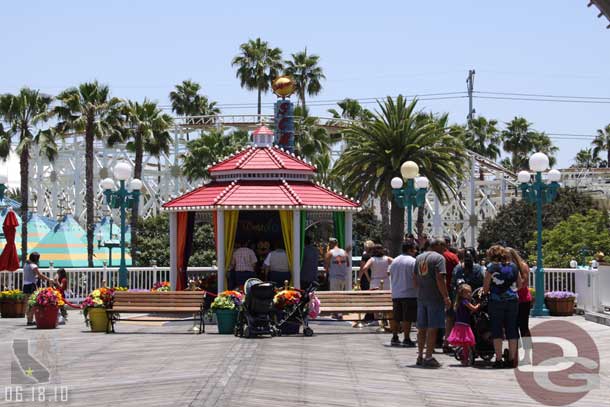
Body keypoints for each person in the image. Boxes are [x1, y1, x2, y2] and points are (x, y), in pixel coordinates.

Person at [414, 238, 451, 368]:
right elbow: (440, 278)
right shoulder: (439, 259)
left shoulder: (419, 258)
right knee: (433, 328)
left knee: (421, 328)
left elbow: (414, 279)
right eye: (444, 246)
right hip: (435, 297)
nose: (445, 248)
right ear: (439, 246)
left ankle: (420, 355)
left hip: (421, 296)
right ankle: (428, 356)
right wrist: (446, 296)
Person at [483, 245, 522, 369]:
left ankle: (498, 359)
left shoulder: (491, 267)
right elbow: (520, 285)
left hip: (496, 301)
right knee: (512, 329)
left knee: (497, 329)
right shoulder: (514, 267)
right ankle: (511, 359)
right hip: (512, 301)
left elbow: (485, 288)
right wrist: (511, 291)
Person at [389, 240, 418, 347]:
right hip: (409, 293)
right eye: (414, 248)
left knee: (396, 317)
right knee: (407, 318)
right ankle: (406, 338)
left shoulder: (395, 261)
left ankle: (395, 337)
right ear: (410, 249)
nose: (415, 251)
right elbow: (415, 277)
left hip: (396, 292)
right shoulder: (413, 261)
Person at [507, 247, 532, 364]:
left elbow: (524, 282)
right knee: (512, 327)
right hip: (512, 299)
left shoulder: (522, 266)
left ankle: (527, 355)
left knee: (523, 327)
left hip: (522, 299)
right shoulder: (507, 266)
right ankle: (515, 354)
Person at [447, 284, 480, 365]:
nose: (469, 294)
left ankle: (464, 358)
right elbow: (474, 309)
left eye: (470, 292)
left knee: (464, 344)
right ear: (461, 294)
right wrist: (479, 304)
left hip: (459, 324)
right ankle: (465, 359)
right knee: (466, 343)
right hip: (464, 325)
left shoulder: (459, 302)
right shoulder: (465, 301)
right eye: (466, 293)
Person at [441, 238, 460, 353]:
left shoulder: (429, 257)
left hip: (434, 291)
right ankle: (448, 341)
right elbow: (457, 271)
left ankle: (436, 341)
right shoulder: (452, 257)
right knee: (450, 317)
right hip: (449, 290)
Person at [23, 252, 51, 326]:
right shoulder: (33, 265)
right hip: (31, 285)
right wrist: (49, 280)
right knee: (33, 303)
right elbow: (40, 275)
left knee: (28, 303)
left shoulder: (26, 264)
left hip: (25, 285)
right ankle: (30, 320)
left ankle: (29, 319)